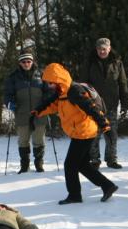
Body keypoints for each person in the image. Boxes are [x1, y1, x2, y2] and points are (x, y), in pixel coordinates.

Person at [31, 63, 118, 205]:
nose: (49, 86)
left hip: (84, 132)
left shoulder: (74, 91)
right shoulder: (62, 93)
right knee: (82, 164)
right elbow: (52, 104)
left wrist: (104, 124)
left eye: (51, 83)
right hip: (80, 132)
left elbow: (91, 107)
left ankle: (75, 195)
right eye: (47, 83)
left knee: (70, 165)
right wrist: (37, 111)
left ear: (59, 80)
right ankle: (107, 186)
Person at [80, 38, 128, 169]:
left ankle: (112, 159)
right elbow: (83, 84)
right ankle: (94, 159)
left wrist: (125, 103)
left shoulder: (117, 63)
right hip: (94, 105)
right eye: (99, 49)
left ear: (109, 48)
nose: (102, 51)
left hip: (111, 104)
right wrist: (84, 101)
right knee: (94, 133)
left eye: (104, 49)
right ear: (96, 49)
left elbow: (123, 83)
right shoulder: (90, 62)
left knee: (111, 134)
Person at [3, 50, 47, 173]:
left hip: (39, 112)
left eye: (28, 61)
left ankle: (39, 164)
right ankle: (24, 165)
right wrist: (10, 103)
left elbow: (48, 91)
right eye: (23, 62)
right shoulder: (13, 77)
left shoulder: (42, 74)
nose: (26, 64)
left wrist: (46, 101)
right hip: (21, 113)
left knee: (39, 140)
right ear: (20, 63)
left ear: (32, 62)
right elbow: (7, 94)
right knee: (23, 140)